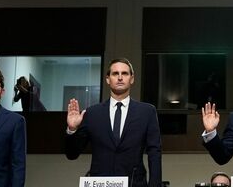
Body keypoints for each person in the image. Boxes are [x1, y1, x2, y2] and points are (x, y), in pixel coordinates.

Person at [65, 58, 162, 187]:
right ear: (108, 79)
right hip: (100, 183)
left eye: (125, 73)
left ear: (132, 79)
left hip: (135, 183)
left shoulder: (147, 112)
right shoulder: (92, 113)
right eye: (115, 73)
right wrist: (72, 129)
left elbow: (154, 152)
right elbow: (72, 154)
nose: (120, 78)